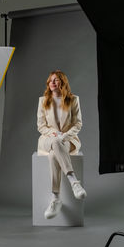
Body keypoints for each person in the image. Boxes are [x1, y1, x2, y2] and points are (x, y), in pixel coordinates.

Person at [37, 70, 86, 219]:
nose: (52, 82)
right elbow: (41, 125)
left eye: (56, 80)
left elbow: (78, 124)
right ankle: (74, 182)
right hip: (48, 140)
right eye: (51, 80)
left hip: (68, 140)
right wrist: (53, 134)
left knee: (53, 155)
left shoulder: (73, 99)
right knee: (54, 144)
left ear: (62, 83)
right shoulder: (43, 100)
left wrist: (64, 136)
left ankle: (55, 198)